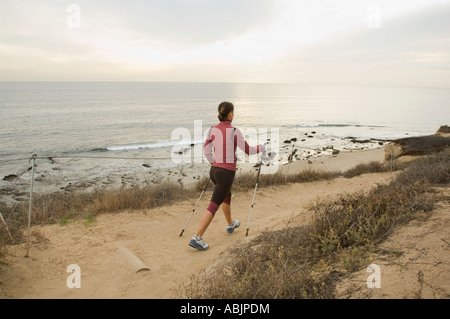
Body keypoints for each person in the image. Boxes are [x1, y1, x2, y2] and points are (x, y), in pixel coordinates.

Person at [189, 101, 266, 251]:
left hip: (214, 172)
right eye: (233, 112)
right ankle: (197, 237)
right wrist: (262, 147)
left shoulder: (212, 130)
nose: (234, 114)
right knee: (214, 204)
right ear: (230, 114)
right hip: (226, 174)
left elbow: (206, 152)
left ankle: (230, 224)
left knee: (226, 196)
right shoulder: (234, 131)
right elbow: (248, 150)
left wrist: (215, 163)